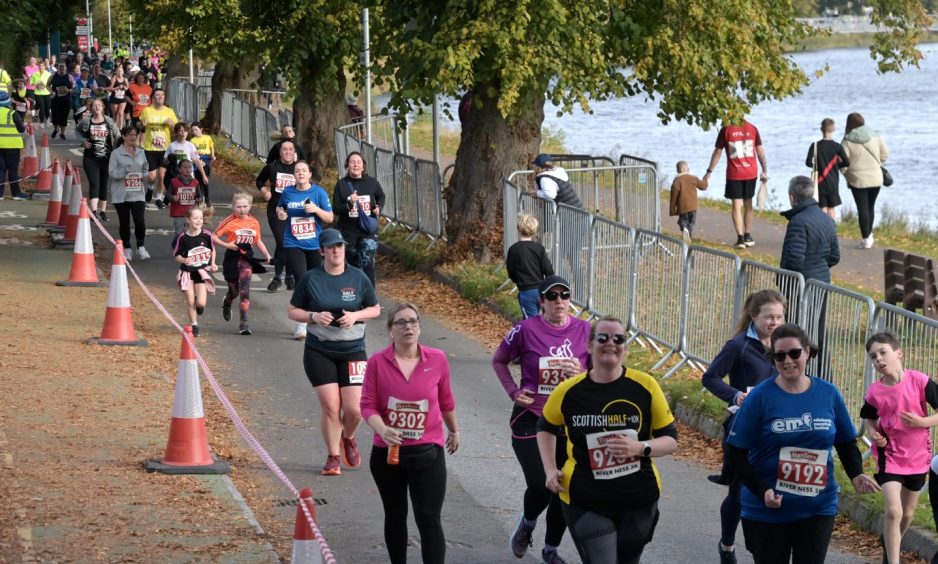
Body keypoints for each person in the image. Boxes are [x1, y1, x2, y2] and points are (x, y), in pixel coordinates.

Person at [726, 323, 880, 564]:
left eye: (794, 353)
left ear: (807, 352)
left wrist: (856, 474)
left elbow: (845, 441)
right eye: (780, 356)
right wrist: (762, 489)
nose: (788, 361)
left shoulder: (828, 393)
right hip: (767, 510)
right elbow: (735, 453)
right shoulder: (760, 397)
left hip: (818, 507)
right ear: (773, 359)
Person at [537, 315, 678, 564]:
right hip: (584, 497)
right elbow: (545, 427)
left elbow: (670, 439)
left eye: (619, 338)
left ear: (625, 347)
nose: (610, 343)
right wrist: (549, 469)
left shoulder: (645, 386)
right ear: (589, 345)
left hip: (639, 499)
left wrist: (640, 447)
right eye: (602, 337)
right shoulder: (569, 390)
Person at [492, 275, 590, 564]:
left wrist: (581, 376)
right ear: (542, 302)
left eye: (564, 295)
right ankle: (528, 524)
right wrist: (513, 391)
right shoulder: (524, 330)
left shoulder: (586, 330)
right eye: (552, 296)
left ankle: (551, 550)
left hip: (568, 423)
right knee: (540, 483)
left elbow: (601, 373)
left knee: (563, 485)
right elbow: (499, 360)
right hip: (530, 417)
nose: (559, 301)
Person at [361, 302, 460, 564]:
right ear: (390, 330)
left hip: (427, 451)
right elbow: (367, 405)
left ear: (420, 327)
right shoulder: (377, 363)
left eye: (413, 321)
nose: (408, 327)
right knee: (395, 514)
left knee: (429, 517)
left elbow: (446, 400)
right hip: (388, 454)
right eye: (401, 322)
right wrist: (382, 429)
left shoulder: (437, 359)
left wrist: (454, 430)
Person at [287, 228, 382, 475]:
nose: (336, 251)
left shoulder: (358, 277)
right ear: (322, 251)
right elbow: (292, 310)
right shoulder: (311, 278)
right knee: (331, 406)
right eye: (330, 247)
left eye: (339, 246)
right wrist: (313, 316)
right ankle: (332, 457)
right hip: (320, 349)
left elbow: (375, 309)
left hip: (353, 350)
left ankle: (348, 436)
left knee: (355, 410)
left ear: (344, 249)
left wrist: (355, 316)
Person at [701, 289, 786, 564]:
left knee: (772, 489)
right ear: (754, 316)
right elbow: (710, 377)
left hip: (777, 429)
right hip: (743, 428)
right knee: (739, 494)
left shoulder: (785, 344)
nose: (774, 322)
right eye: (768, 317)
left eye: (779, 316)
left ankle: (765, 549)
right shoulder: (738, 345)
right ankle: (727, 546)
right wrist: (736, 395)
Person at [860, 332, 938, 564]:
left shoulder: (920, 381)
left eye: (883, 352)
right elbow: (869, 420)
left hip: (917, 456)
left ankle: (890, 546)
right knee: (894, 511)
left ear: (898, 353)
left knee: (908, 513)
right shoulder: (875, 392)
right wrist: (874, 434)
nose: (879, 359)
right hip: (889, 455)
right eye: (874, 356)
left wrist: (923, 422)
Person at [275, 161, 334, 340]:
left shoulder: (318, 193)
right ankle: (302, 324)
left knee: (315, 281)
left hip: (315, 244)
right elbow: (280, 207)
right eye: (297, 171)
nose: (300, 173)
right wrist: (280, 213)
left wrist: (316, 209)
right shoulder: (288, 192)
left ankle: (315, 318)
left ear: (309, 174)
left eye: (304, 171)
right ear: (294, 175)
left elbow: (330, 218)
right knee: (302, 280)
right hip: (293, 242)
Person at [703, 119, 768, 249]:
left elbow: (717, 152)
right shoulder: (752, 128)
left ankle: (740, 239)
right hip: (751, 172)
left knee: (736, 206)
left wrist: (709, 171)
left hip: (735, 173)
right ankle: (748, 235)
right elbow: (760, 151)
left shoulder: (726, 130)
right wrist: (764, 170)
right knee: (748, 204)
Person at [214, 192, 272, 336]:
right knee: (234, 292)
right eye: (238, 206)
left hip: (247, 259)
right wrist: (226, 245)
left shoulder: (254, 222)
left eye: (245, 206)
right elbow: (214, 236)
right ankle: (227, 301)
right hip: (232, 259)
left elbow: (257, 240)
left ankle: (243, 324)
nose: (242, 209)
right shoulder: (229, 221)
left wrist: (267, 255)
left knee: (244, 293)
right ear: (233, 207)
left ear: (250, 206)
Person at [531, 154, 586, 292]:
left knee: (556, 257)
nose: (534, 168)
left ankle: (564, 290)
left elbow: (550, 194)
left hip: (571, 221)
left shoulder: (544, 178)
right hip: (580, 217)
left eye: (535, 165)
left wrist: (537, 193)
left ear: (540, 167)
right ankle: (578, 293)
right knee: (574, 258)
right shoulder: (559, 171)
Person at [331, 151, 385, 288]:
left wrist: (379, 207)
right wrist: (349, 203)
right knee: (354, 266)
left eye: (358, 162)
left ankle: (370, 297)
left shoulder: (372, 182)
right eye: (352, 162)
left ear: (363, 166)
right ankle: (356, 295)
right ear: (347, 166)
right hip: (348, 232)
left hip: (368, 231)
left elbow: (381, 196)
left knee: (368, 261)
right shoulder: (342, 184)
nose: (356, 165)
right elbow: (335, 209)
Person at [841, 112, 889, 249]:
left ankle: (866, 238)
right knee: (870, 206)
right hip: (876, 177)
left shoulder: (847, 140)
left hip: (857, 179)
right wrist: (878, 163)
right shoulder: (875, 135)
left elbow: (842, 161)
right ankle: (869, 235)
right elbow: (885, 154)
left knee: (862, 208)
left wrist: (845, 173)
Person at [779, 176, 840, 284]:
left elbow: (794, 260)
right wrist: (819, 268)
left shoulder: (798, 221)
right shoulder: (828, 219)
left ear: (792, 198)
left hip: (800, 285)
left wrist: (784, 279)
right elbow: (834, 256)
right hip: (823, 283)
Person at [255, 140, 298, 291]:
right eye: (284, 149)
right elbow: (259, 180)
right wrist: (265, 191)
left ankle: (289, 276)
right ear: (280, 152)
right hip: (275, 209)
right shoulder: (272, 167)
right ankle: (278, 277)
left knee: (292, 244)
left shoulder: (298, 169)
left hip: (294, 211)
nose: (287, 152)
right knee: (282, 242)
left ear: (294, 152)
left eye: (290, 149)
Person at [108, 123, 149, 261]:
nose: (133, 137)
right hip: (121, 194)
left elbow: (145, 167)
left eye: (135, 135)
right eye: (130, 135)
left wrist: (144, 175)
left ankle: (141, 246)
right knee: (124, 222)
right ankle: (127, 248)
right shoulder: (116, 154)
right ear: (124, 136)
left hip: (138, 192)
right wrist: (124, 171)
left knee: (139, 220)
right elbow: (112, 173)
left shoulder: (141, 152)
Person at [173, 206, 217, 337]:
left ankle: (200, 307)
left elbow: (212, 250)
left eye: (201, 218)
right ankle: (194, 324)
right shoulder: (182, 238)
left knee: (201, 303)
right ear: (188, 220)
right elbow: (176, 255)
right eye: (195, 218)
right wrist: (184, 260)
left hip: (201, 272)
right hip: (187, 272)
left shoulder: (207, 235)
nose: (199, 221)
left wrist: (213, 263)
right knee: (190, 301)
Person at [77, 99, 121, 221]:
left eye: (99, 105)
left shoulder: (109, 121)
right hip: (90, 158)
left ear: (103, 108)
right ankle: (94, 211)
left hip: (107, 158)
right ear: (91, 108)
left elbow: (117, 136)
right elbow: (77, 130)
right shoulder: (86, 121)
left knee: (104, 184)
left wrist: (117, 150)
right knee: (94, 183)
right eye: (94, 105)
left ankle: (103, 212)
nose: (96, 107)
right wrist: (82, 141)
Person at [506, 213, 554, 319]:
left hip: (526, 291)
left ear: (518, 228)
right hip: (541, 291)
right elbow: (549, 271)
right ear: (534, 230)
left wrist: (518, 281)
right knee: (544, 320)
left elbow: (511, 272)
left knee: (531, 323)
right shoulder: (539, 248)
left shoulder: (513, 249)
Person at [139, 88, 177, 207]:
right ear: (153, 98)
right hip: (150, 148)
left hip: (165, 149)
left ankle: (159, 198)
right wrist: (142, 125)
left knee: (161, 175)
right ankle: (150, 188)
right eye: (157, 95)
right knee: (152, 176)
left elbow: (177, 128)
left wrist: (172, 125)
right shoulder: (147, 111)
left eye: (162, 95)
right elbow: (140, 125)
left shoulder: (169, 111)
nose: (160, 97)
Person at [805, 118, 849, 221]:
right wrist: (836, 165)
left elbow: (808, 163)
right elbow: (847, 162)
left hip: (820, 182)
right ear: (833, 129)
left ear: (821, 129)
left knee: (822, 208)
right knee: (831, 209)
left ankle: (822, 231)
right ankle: (831, 232)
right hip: (833, 182)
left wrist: (817, 166)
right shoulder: (837, 147)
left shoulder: (815, 145)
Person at [162, 122, 209, 206]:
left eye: (185, 131)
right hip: (176, 176)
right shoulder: (172, 146)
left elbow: (197, 160)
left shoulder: (190, 145)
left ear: (187, 132)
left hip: (188, 176)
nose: (183, 133)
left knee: (189, 201)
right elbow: (165, 161)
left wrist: (204, 175)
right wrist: (169, 158)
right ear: (176, 132)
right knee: (179, 202)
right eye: (180, 131)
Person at [669, 160, 708, 243]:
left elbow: (673, 197)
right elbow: (703, 187)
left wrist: (672, 210)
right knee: (691, 222)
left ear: (678, 170)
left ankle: (684, 229)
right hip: (693, 206)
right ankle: (688, 235)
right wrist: (705, 180)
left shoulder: (677, 181)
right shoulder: (693, 178)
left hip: (682, 207)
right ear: (686, 169)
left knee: (682, 221)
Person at [0, 91, 28, 201]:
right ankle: (16, 194)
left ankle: (0, 194)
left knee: (0, 170)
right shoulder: (12, 113)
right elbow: (21, 129)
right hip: (12, 146)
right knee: (13, 170)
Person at [168, 159, 204, 243]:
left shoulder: (196, 182)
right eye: (185, 167)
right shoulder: (174, 181)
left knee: (191, 233)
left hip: (191, 213)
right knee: (179, 234)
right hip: (178, 213)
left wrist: (199, 199)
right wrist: (173, 197)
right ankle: (177, 248)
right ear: (179, 169)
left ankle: (187, 250)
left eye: (189, 167)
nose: (188, 169)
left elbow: (199, 196)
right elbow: (168, 194)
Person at [47, 63, 73, 140]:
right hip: (55, 98)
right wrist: (51, 91)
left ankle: (62, 133)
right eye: (60, 67)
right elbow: (47, 85)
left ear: (65, 68)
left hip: (66, 99)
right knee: (55, 116)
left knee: (64, 116)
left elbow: (73, 87)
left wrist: (69, 90)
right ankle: (56, 129)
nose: (61, 69)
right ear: (57, 68)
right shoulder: (53, 76)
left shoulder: (69, 77)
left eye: (63, 67)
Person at [30, 62, 52, 128]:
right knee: (41, 108)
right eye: (39, 66)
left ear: (44, 67)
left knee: (47, 108)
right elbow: (31, 83)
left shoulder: (48, 74)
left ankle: (48, 120)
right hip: (38, 93)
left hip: (47, 93)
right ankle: (42, 122)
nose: (40, 67)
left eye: (42, 66)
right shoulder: (34, 74)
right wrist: (36, 83)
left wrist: (44, 85)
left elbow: (51, 84)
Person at [108, 66, 129, 130]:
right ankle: (114, 129)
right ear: (116, 72)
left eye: (121, 71)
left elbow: (128, 87)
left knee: (121, 113)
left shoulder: (125, 79)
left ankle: (120, 129)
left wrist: (125, 88)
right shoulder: (114, 78)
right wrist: (117, 88)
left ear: (123, 72)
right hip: (114, 99)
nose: (120, 72)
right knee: (115, 115)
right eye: (118, 71)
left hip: (122, 99)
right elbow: (110, 89)